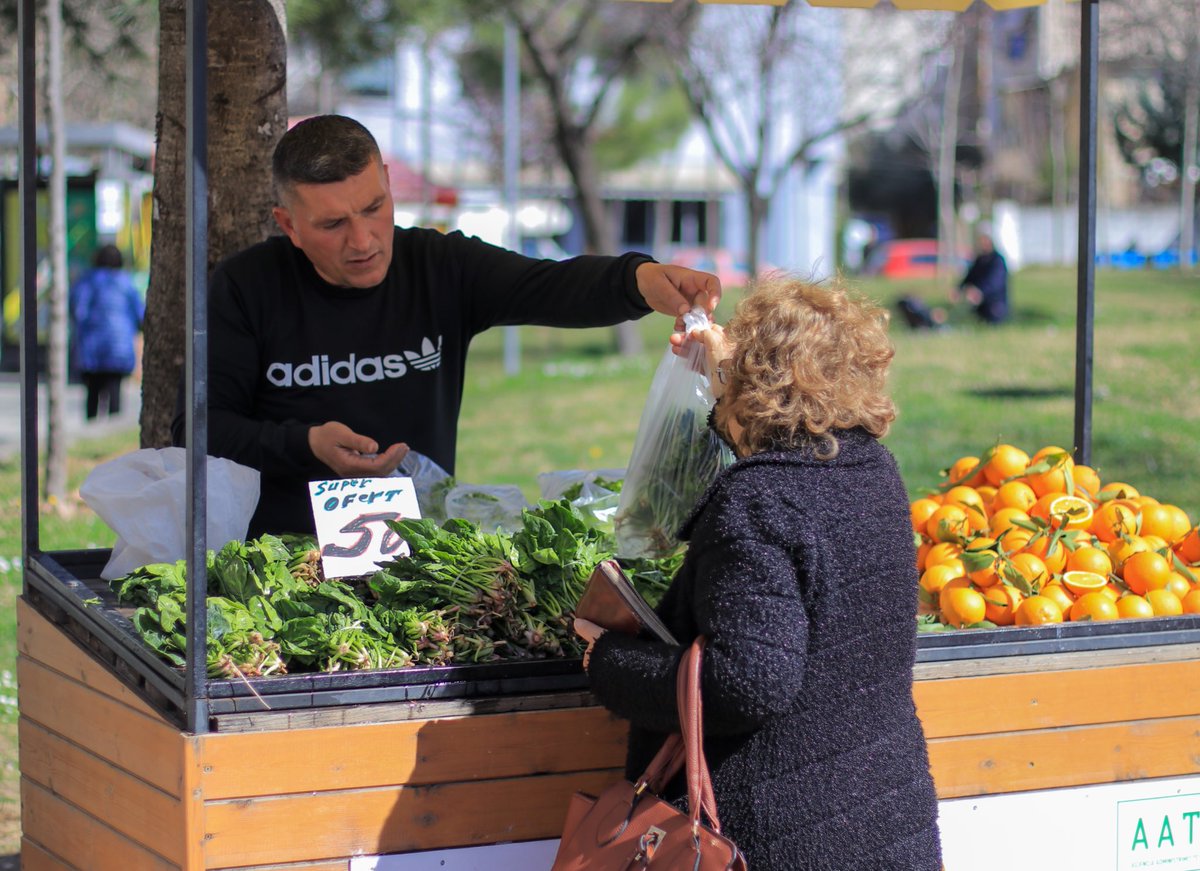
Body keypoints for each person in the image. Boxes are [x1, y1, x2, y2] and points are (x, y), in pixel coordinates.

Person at [174, 114, 720, 537]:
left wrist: (639, 280)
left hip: (420, 556)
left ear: (388, 183)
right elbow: (197, 428)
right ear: (289, 225)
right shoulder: (246, 286)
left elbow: (549, 285)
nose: (362, 241)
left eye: (374, 207)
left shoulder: (438, 266)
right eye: (333, 224)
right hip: (279, 565)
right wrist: (307, 444)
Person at [575, 276, 943, 869]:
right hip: (884, 816)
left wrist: (610, 662)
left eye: (727, 392)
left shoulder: (758, 500)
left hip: (786, 836)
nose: (716, 412)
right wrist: (729, 364)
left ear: (752, 392)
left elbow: (747, 683)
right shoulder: (875, 470)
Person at [70, 244, 144, 420]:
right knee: (115, 391)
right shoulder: (127, 284)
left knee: (92, 391)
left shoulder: (87, 282)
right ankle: (113, 426)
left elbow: (78, 310)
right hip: (119, 348)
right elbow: (140, 313)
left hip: (92, 347)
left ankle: (91, 427)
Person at [952, 231, 1009, 324]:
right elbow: (970, 277)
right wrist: (959, 289)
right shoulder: (980, 260)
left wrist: (980, 291)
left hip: (995, 304)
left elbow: (995, 282)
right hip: (980, 306)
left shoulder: (997, 261)